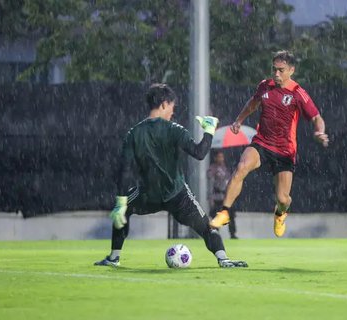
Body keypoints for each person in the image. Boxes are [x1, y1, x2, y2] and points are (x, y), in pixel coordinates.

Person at [94, 83, 247, 268]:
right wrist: (208, 131)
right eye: (172, 107)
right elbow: (199, 153)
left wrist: (120, 201)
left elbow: (124, 170)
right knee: (206, 227)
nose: (172, 112)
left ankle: (113, 258)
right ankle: (224, 260)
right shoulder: (175, 129)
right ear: (164, 104)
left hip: (147, 195)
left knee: (123, 212)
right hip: (177, 195)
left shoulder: (133, 133)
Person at [209, 50, 329, 236]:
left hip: (285, 151)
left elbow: (316, 117)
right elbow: (253, 103)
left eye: (281, 70)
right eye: (274, 69)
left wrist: (319, 132)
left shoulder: (298, 93)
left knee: (282, 198)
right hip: (262, 143)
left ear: (291, 70)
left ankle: (280, 212)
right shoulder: (265, 86)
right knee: (241, 168)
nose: (276, 74)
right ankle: (224, 213)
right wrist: (239, 120)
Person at [207, 150, 237, 239]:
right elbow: (210, 184)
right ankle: (215, 234)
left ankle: (233, 234)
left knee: (230, 216)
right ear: (215, 158)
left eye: (222, 157)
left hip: (226, 197)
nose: (221, 159)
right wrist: (210, 198)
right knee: (216, 216)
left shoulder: (226, 168)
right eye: (219, 157)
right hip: (217, 197)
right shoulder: (212, 169)